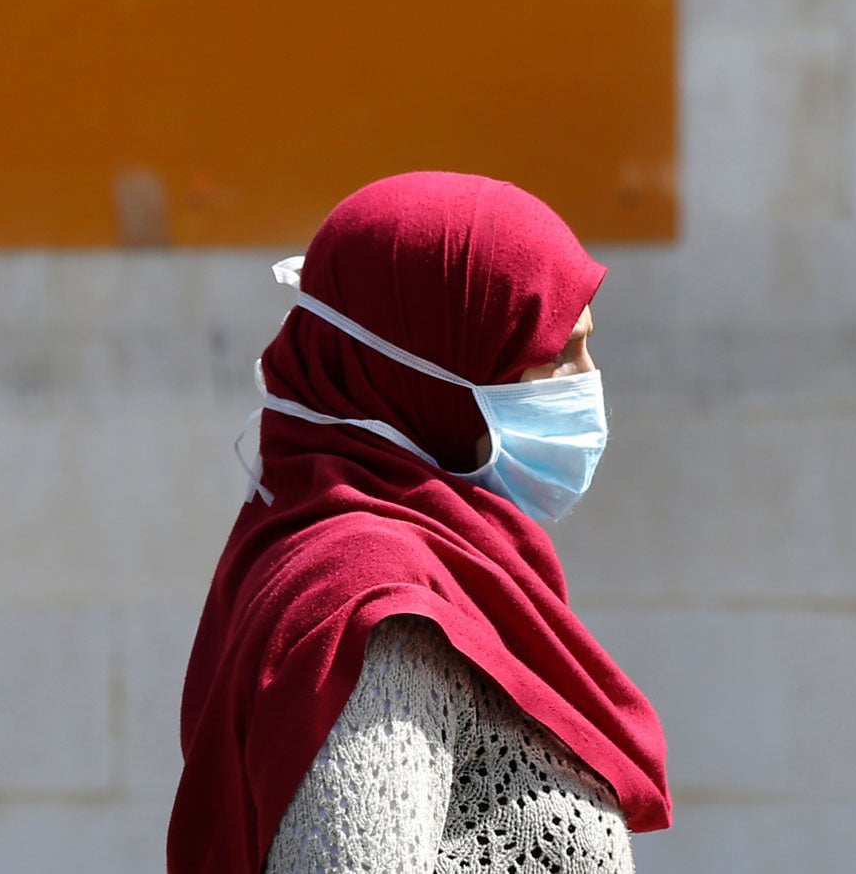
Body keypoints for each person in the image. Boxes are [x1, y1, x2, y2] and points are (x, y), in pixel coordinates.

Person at [168, 172, 671, 874]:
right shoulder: (380, 609)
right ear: (430, 372)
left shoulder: (406, 561)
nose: (587, 381)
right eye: (556, 354)